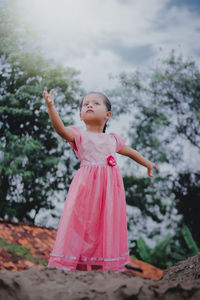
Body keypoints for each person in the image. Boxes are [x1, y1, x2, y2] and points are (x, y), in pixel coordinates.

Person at [43, 87, 158, 272]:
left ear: (108, 115)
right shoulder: (79, 135)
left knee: (105, 225)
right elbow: (61, 130)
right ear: (80, 115)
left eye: (96, 103)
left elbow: (131, 152)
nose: (89, 105)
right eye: (85, 104)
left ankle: (100, 263)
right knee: (82, 224)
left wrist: (148, 164)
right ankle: (77, 262)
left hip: (109, 193)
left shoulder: (112, 140)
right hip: (86, 189)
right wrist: (51, 107)